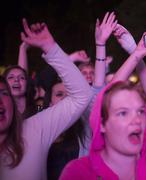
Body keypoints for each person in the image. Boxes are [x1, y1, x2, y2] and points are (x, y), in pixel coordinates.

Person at [0, 19, 92, 180]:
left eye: (3, 93)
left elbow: (82, 95)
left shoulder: (34, 127)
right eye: (11, 78)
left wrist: (51, 48)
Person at [60, 81, 146, 180]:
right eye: (123, 113)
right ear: (102, 124)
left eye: (140, 111)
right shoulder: (78, 172)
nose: (137, 120)